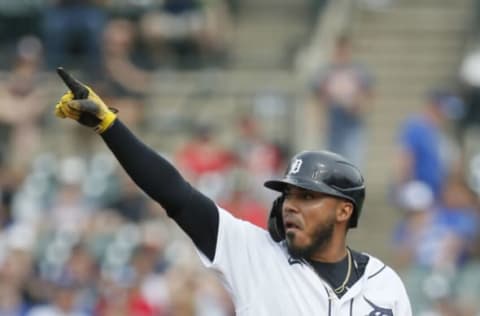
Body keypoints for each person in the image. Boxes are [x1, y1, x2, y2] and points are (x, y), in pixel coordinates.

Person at [53, 68, 412, 315]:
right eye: (288, 194)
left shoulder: (385, 285)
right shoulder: (254, 255)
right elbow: (176, 195)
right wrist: (109, 127)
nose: (290, 205)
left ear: (343, 211)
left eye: (307, 196)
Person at [311, 34, 374, 168]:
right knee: (332, 164)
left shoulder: (358, 71)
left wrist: (359, 106)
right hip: (333, 123)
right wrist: (320, 120)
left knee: (353, 163)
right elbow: (319, 98)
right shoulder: (326, 72)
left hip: (352, 123)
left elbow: (368, 95)